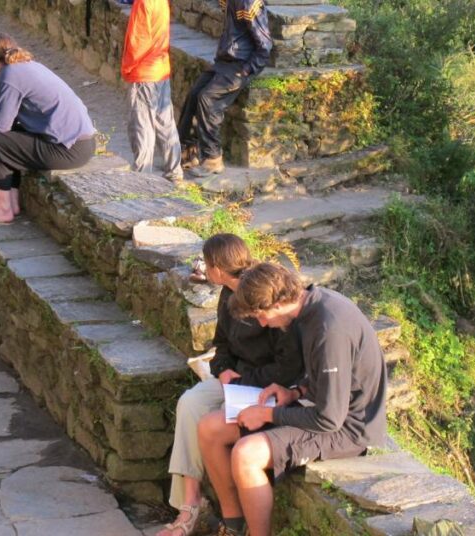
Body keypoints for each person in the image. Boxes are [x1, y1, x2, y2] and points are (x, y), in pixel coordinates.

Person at [197, 263, 388, 536]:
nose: (263, 323)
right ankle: (233, 526)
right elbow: (330, 379)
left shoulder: (328, 329)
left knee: (246, 454)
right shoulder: (311, 307)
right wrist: (295, 392)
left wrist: (267, 415)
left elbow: (329, 418)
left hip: (350, 429)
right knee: (210, 428)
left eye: (261, 315)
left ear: (277, 303)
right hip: (324, 409)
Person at [158, 235, 302, 536]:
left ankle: (234, 518)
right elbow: (221, 344)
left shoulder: (264, 295)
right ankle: (190, 504)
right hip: (234, 379)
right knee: (190, 402)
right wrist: (223, 371)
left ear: (217, 269)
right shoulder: (226, 294)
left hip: (264, 385)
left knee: (219, 417)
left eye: (205, 263)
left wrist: (242, 382)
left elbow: (287, 367)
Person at [0, 33, 96, 224]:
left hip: (68, 150)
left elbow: (0, 126)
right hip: (82, 144)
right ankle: (11, 203)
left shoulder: (11, 75)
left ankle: (3, 209)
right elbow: (9, 123)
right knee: (8, 139)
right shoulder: (28, 65)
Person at [178, 0, 272, 178]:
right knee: (194, 94)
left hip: (240, 64)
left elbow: (265, 46)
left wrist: (247, 69)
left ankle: (212, 158)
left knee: (208, 99)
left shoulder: (250, 3)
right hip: (224, 62)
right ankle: (189, 152)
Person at [122, 0, 183, 181]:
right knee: (165, 123)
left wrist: (127, 68)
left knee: (142, 127)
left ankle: (142, 179)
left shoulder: (143, 3)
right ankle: (175, 172)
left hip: (144, 72)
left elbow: (137, 42)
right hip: (160, 68)